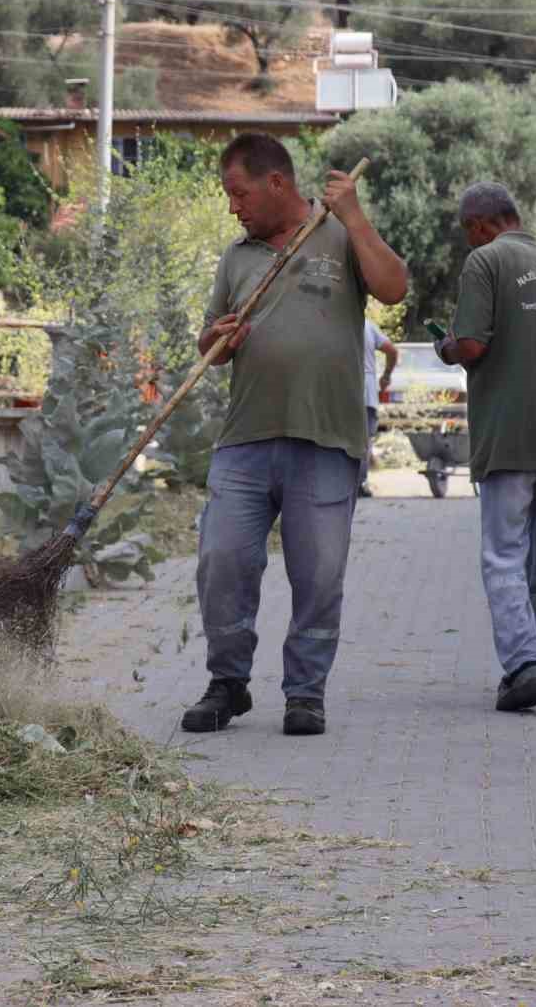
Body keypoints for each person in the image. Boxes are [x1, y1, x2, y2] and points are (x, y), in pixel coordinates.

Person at [182, 133, 409, 737]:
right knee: (222, 560)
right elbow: (212, 344)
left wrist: (356, 217)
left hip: (326, 440)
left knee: (319, 574)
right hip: (246, 438)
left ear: (276, 183)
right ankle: (227, 684)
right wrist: (217, 341)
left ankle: (305, 692)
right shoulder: (237, 256)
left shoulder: (339, 235)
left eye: (239, 193)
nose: (233, 206)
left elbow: (393, 287)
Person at [434, 182, 536, 712]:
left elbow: (474, 345)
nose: (468, 241)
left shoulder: (485, 262)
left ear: (480, 224)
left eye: (467, 231)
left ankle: (523, 666)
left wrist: (447, 347)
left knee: (503, 557)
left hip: (508, 435)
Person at [359, 319, 397, 497]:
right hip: (366, 391)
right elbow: (391, 350)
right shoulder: (367, 325)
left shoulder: (330, 321)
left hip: (340, 390)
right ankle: (360, 483)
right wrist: (386, 376)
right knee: (363, 441)